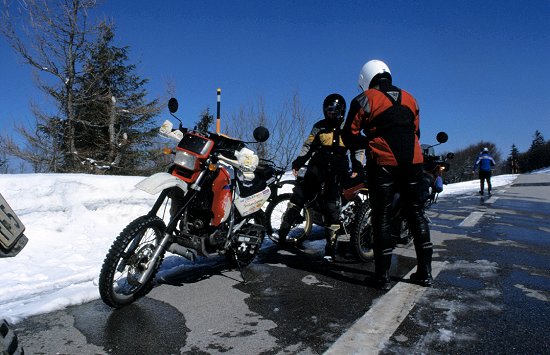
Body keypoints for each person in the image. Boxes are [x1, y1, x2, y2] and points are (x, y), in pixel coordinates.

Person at [343, 59, 433, 290]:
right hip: (413, 160)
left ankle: (381, 278)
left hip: (384, 160)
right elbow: (417, 130)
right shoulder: (411, 98)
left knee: (381, 215)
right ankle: (425, 273)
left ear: (365, 78)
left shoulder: (365, 98)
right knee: (416, 213)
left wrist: (367, 141)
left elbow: (349, 133)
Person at [276, 93, 356, 262]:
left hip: (337, 170)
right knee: (299, 195)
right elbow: (308, 146)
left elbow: (359, 149)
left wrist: (358, 167)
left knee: (330, 207)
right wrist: (298, 161)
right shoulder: (318, 127)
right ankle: (283, 232)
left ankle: (330, 247)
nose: (330, 114)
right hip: (317, 166)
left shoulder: (349, 127)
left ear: (341, 111)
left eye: (334, 111)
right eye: (328, 110)